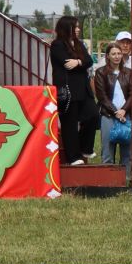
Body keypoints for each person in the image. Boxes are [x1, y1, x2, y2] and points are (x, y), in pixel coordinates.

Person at [49, 16, 97, 167]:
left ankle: (85, 147)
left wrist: (78, 62)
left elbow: (89, 60)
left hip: (84, 89)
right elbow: (66, 63)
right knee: (69, 124)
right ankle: (73, 157)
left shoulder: (79, 44)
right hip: (68, 91)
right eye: (75, 26)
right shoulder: (57, 45)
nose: (78, 29)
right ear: (66, 28)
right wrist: (79, 61)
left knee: (93, 115)